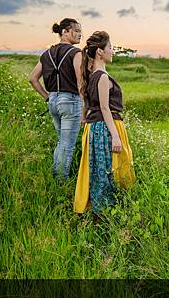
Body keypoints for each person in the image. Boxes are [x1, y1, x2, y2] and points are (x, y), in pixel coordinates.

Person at [74, 31, 135, 215]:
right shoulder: (101, 76)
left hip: (97, 126)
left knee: (102, 170)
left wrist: (86, 118)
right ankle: (105, 212)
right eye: (110, 47)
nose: (112, 51)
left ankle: (104, 211)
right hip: (105, 127)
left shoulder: (93, 74)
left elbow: (89, 104)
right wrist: (115, 136)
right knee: (106, 171)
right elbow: (104, 108)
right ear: (100, 51)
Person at [29, 18, 83, 181]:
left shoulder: (46, 54)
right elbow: (81, 83)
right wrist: (85, 107)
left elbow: (33, 78)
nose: (80, 35)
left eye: (81, 32)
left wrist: (48, 96)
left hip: (53, 100)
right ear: (64, 32)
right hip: (70, 101)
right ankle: (61, 181)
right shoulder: (76, 53)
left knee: (62, 142)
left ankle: (56, 176)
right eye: (77, 30)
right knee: (67, 144)